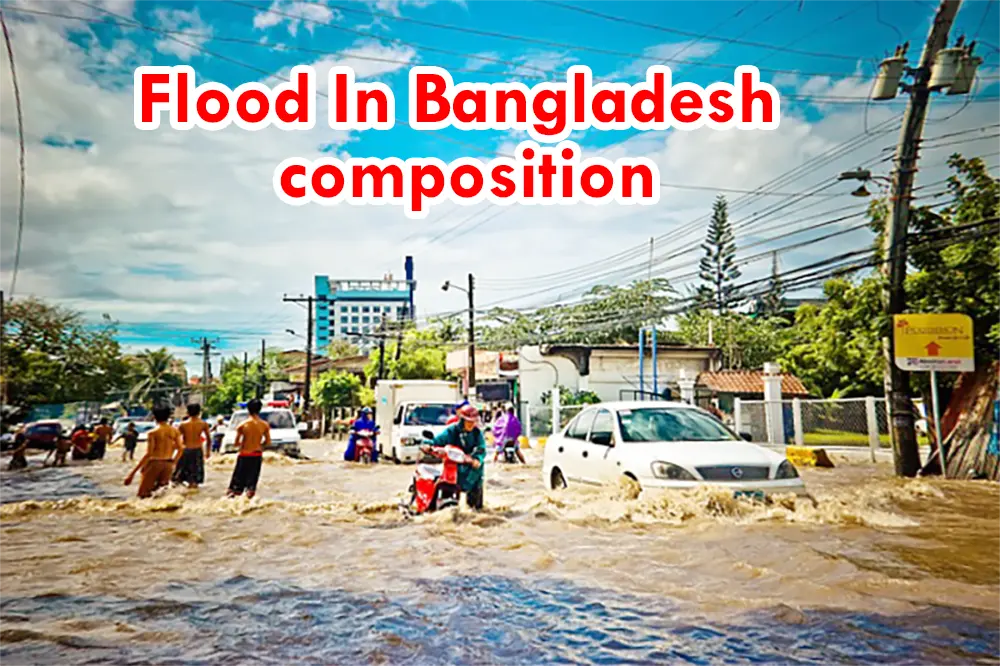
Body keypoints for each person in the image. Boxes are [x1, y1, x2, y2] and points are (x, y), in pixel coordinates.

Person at [427, 404, 486, 510]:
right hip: (453, 468)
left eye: (473, 422)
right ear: (462, 420)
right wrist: (428, 444)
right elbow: (438, 440)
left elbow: (481, 448)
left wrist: (477, 459)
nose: (471, 424)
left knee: (476, 509)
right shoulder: (452, 431)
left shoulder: (477, 433)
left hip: (472, 469)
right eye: (469, 421)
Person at [124, 406, 183, 499]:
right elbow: (180, 448)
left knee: (143, 495)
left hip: (154, 463)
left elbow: (149, 453)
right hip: (168, 464)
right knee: (161, 495)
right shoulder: (174, 431)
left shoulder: (153, 432)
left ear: (154, 417)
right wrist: (174, 462)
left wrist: (132, 473)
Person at [227, 398, 270, 499]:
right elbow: (268, 442)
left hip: (244, 455)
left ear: (248, 409)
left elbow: (236, 443)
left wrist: (245, 444)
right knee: (251, 486)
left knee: (235, 486)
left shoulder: (242, 425)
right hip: (257, 455)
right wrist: (259, 445)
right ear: (260, 409)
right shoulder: (264, 425)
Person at [173, 404, 211, 488]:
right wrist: (208, 452)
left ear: (188, 412)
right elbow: (209, 439)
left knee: (178, 476)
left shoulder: (183, 424)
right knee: (195, 478)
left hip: (186, 450)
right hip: (197, 450)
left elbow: (176, 439)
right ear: (199, 412)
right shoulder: (203, 424)